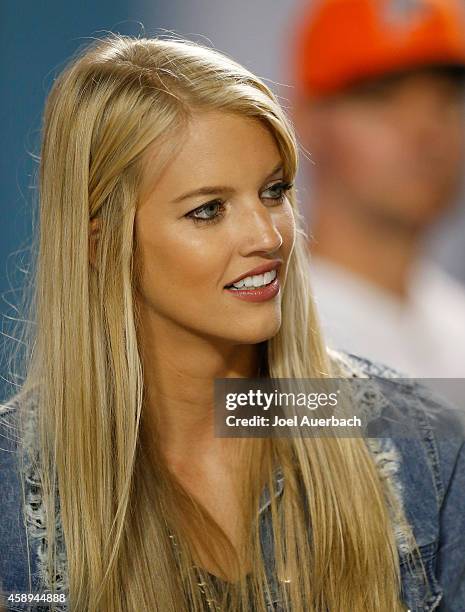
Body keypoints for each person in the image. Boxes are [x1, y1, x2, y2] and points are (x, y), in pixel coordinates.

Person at [0, 33, 464, 612]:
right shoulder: (12, 488)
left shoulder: (418, 447)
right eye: (208, 210)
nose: (267, 238)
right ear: (101, 240)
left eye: (274, 192)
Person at [289, 0, 465, 380]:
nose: (425, 127)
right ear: (308, 119)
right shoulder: (258, 334)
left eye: (447, 97)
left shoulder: (457, 323)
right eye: (381, 96)